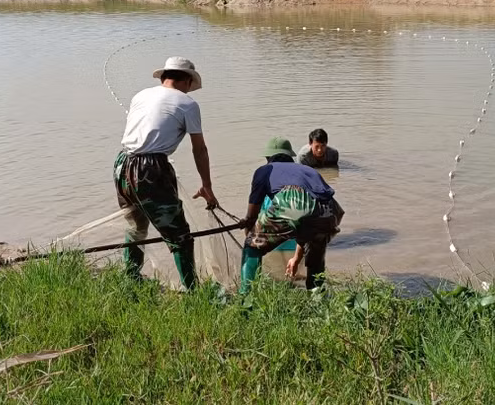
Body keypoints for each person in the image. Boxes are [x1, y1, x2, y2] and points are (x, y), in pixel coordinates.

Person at [113, 56, 218, 289]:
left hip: (122, 164)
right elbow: (199, 149)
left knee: (136, 226)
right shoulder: (187, 104)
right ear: (188, 81)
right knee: (179, 235)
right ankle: (192, 291)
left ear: (163, 77)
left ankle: (130, 278)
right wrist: (207, 186)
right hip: (151, 169)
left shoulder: (140, 96)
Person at [237, 137, 344, 293]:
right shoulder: (308, 170)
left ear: (268, 158)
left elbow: (252, 216)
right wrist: (296, 258)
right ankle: (317, 299)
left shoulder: (265, 170)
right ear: (290, 157)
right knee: (315, 256)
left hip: (292, 200)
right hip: (329, 211)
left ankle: (245, 299)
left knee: (250, 247)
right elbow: (306, 217)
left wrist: (252, 236)